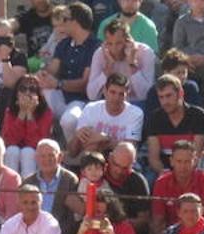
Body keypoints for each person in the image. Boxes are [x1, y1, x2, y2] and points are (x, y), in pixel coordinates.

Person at [36, 1, 99, 131]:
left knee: (69, 120)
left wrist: (58, 84)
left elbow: (84, 85)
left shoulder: (95, 47)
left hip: (82, 101)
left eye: (65, 19)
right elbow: (53, 70)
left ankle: (71, 151)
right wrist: (43, 73)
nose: (61, 23)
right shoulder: (64, 44)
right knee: (38, 96)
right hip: (61, 97)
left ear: (75, 22)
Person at [150, 138, 204, 234]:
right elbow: (158, 221)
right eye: (179, 161)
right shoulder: (161, 182)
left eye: (187, 161)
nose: (183, 166)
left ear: (195, 161)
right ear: (171, 161)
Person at [144, 72, 204, 176]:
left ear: (180, 94)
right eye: (161, 97)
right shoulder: (155, 118)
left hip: (192, 171)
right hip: (164, 172)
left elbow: (196, 156)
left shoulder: (198, 116)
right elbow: (154, 158)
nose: (165, 101)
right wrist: (166, 175)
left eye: (169, 96)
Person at [69, 72, 143, 159]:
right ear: (104, 90)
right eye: (112, 92)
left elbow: (130, 147)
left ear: (127, 94)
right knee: (91, 145)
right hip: (92, 156)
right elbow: (72, 152)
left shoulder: (136, 114)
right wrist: (77, 136)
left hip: (119, 160)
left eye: (121, 94)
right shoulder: (90, 109)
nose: (116, 98)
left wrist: (106, 139)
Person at [87, 17, 155, 105]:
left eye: (118, 43)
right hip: (109, 104)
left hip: (137, 104)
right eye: (110, 44)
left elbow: (146, 95)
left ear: (128, 41)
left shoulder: (145, 52)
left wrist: (132, 64)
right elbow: (92, 95)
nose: (114, 49)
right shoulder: (100, 53)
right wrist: (108, 68)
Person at [68, 186, 140, 234]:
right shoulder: (87, 227)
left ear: (112, 211)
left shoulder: (124, 227)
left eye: (102, 213)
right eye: (96, 213)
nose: (100, 219)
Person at [2, 74, 53, 177]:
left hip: (37, 156)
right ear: (17, 93)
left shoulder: (46, 113)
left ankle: (28, 189)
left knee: (28, 152)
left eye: (32, 89)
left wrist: (29, 114)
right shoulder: (10, 111)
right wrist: (21, 113)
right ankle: (12, 188)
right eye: (23, 89)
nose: (27, 93)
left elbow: (36, 143)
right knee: (12, 150)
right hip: (14, 153)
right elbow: (10, 140)